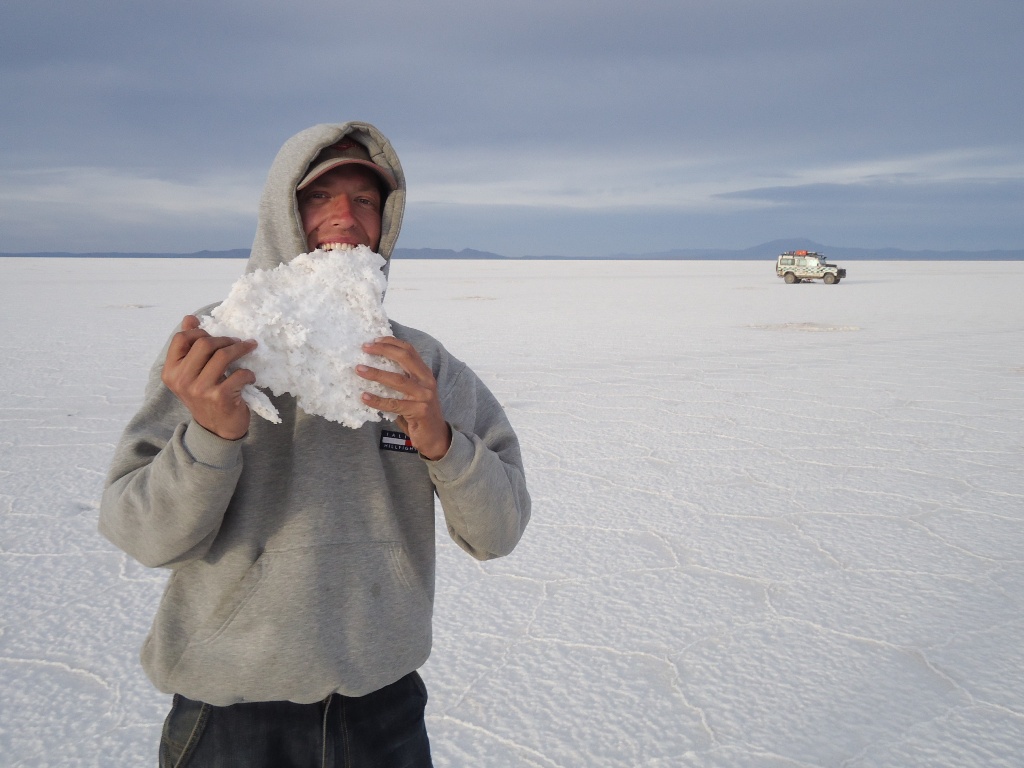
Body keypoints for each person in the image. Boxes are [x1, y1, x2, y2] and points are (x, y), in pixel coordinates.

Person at [99, 121, 531, 767]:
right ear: (281, 211)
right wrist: (210, 436)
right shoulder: (211, 351)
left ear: (387, 223)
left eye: (366, 200)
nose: (345, 217)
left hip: (383, 711)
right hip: (230, 715)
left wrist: (440, 440)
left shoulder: (423, 364)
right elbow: (143, 536)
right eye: (319, 196)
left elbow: (498, 533)